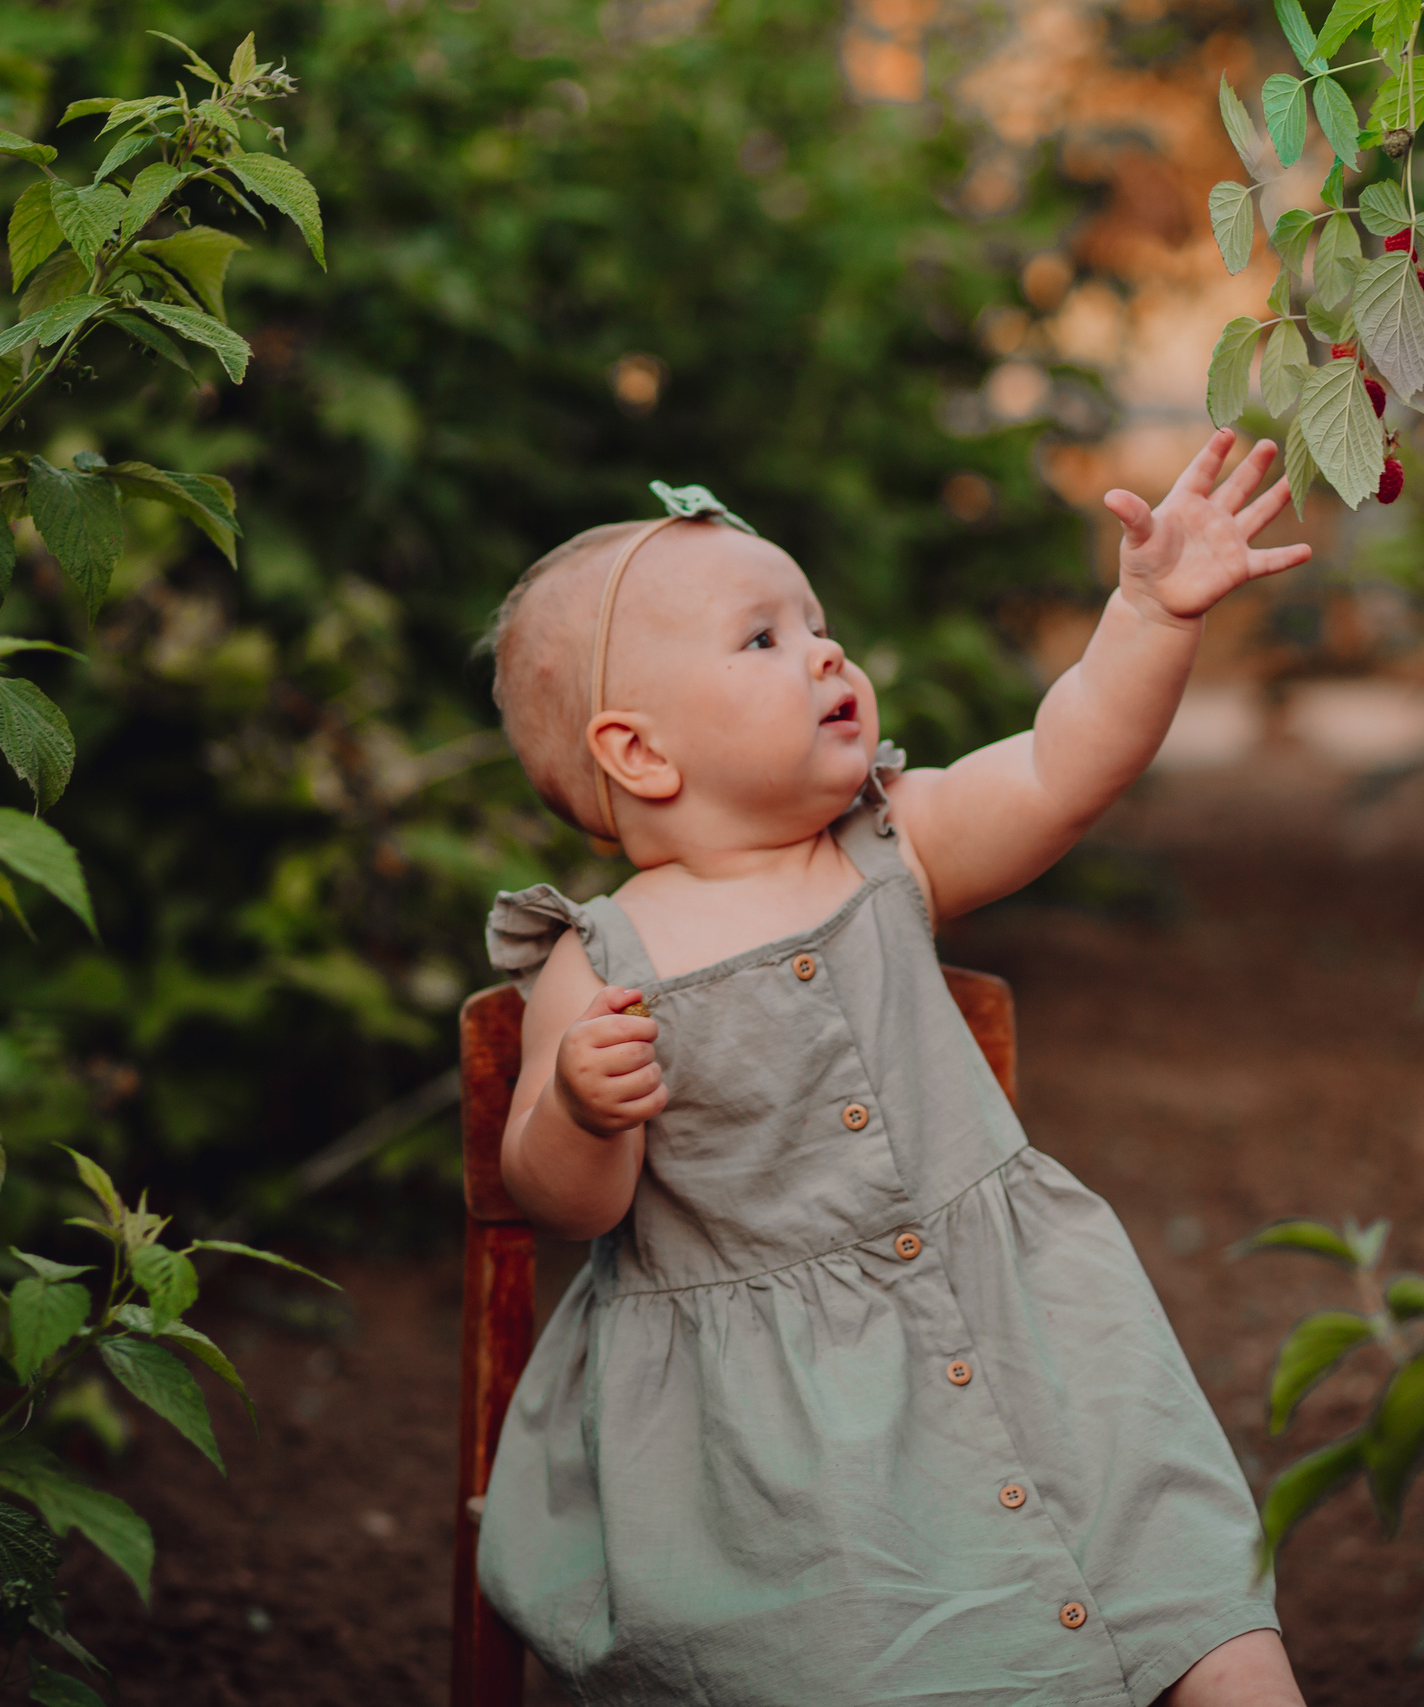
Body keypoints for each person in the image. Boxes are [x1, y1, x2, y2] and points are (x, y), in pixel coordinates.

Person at [475, 432, 1312, 1706]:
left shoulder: (888, 843)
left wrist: (1146, 613)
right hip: (789, 1442)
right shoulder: (600, 961)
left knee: (1186, 1587)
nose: (824, 651)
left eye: (816, 622)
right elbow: (563, 1199)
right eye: (762, 639)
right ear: (639, 753)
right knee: (882, 1656)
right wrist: (584, 1105)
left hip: (1033, 1329)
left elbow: (1058, 767)